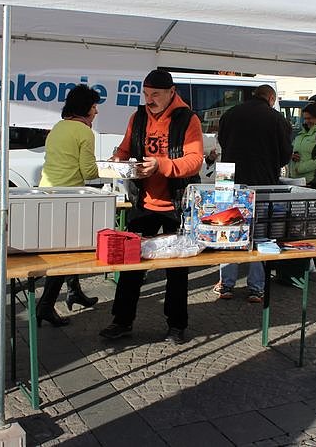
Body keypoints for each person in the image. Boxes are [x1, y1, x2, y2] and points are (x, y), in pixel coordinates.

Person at [98, 69, 203, 345]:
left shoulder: (188, 119)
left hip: (176, 204)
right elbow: (124, 148)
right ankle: (121, 321)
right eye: (146, 94)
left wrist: (162, 165)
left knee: (177, 270)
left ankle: (177, 325)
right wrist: (118, 160)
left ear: (171, 92)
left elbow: (195, 161)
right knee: (130, 264)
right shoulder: (139, 116)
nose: (149, 99)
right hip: (142, 201)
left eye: (155, 94)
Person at [213, 84, 292, 302]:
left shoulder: (230, 114)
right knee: (261, 235)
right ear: (271, 98)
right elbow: (285, 155)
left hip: (228, 180)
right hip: (263, 181)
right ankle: (256, 288)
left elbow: (222, 142)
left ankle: (226, 285)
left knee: (229, 231)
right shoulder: (277, 119)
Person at [35, 84, 102, 327]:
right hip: (68, 197)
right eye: (94, 106)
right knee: (67, 252)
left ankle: (74, 292)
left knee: (66, 248)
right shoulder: (85, 133)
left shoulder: (57, 128)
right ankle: (46, 304)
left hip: (47, 192)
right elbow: (89, 171)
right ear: (85, 108)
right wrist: (112, 167)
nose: (96, 111)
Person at [288, 102, 316, 191]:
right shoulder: (301, 134)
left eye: (309, 118)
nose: (306, 121)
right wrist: (291, 155)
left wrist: (300, 169)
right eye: (305, 118)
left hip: (315, 182)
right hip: (298, 180)